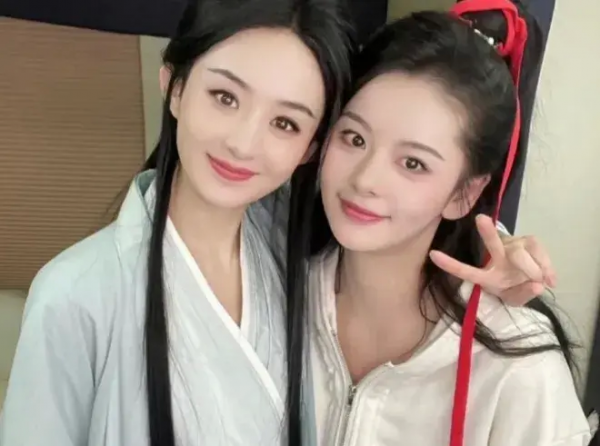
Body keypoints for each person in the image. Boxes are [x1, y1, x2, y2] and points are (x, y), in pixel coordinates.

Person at [0, 1, 558, 446]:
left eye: (286, 123)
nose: (244, 143)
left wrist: (499, 260)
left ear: (310, 144)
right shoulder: (76, 294)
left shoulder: (291, 252)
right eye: (224, 96)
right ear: (174, 85)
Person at [299, 4, 592, 446]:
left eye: (413, 163)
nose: (365, 179)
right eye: (354, 138)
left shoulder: (518, 371)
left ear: (464, 195)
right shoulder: (274, 286)